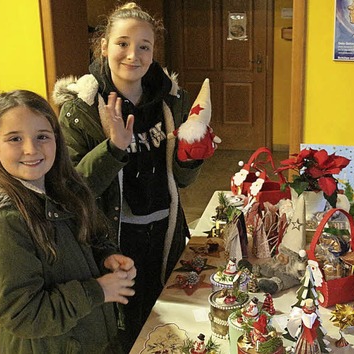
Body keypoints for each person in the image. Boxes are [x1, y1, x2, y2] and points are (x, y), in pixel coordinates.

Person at [52, 2, 206, 350]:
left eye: (144, 46)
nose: (132, 55)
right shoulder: (81, 110)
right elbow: (73, 191)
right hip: (112, 239)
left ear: (153, 52)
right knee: (122, 329)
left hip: (166, 230)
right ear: (104, 45)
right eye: (122, 43)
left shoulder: (170, 101)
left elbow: (180, 182)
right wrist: (114, 148)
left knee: (165, 317)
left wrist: (193, 155)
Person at [0, 90, 136, 353]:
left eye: (42, 136)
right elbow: (23, 314)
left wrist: (105, 257)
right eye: (15, 139)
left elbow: (86, 238)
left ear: (57, 139)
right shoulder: (3, 222)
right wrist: (97, 291)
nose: (31, 149)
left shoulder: (55, 191)